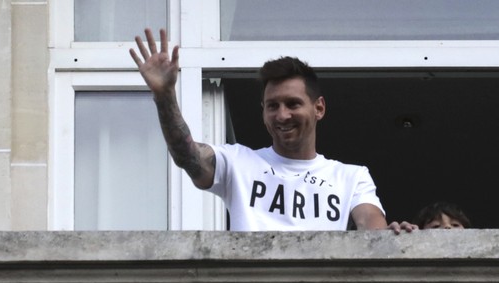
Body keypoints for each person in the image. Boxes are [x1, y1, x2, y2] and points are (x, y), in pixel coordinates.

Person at [129, 28, 416, 234]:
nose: (282, 115)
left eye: (293, 104)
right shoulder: (238, 163)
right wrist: (165, 96)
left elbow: (371, 224)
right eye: (272, 106)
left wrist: (393, 235)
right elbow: (186, 155)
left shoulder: (350, 177)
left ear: (319, 108)